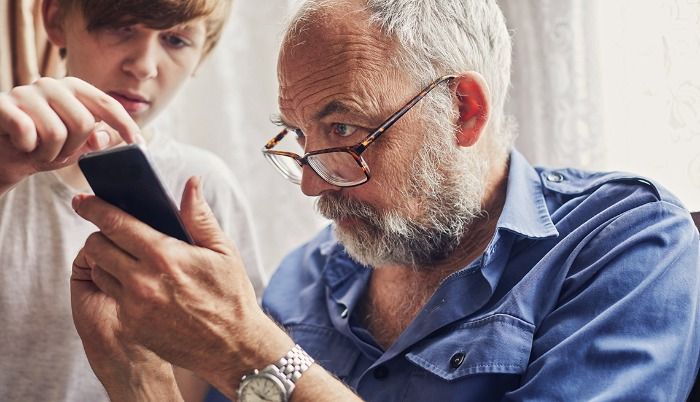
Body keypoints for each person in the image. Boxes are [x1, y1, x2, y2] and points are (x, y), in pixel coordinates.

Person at [69, 0, 700, 401]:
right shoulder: (304, 279)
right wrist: (137, 379)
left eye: (343, 131)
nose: (314, 184)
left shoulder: (630, 244)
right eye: (300, 139)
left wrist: (247, 351)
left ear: (464, 110)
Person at [0, 0, 266, 401]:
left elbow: (228, 373)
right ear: (55, 20)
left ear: (204, 52)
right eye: (121, 27)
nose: (144, 65)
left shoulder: (204, 188)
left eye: (175, 39)